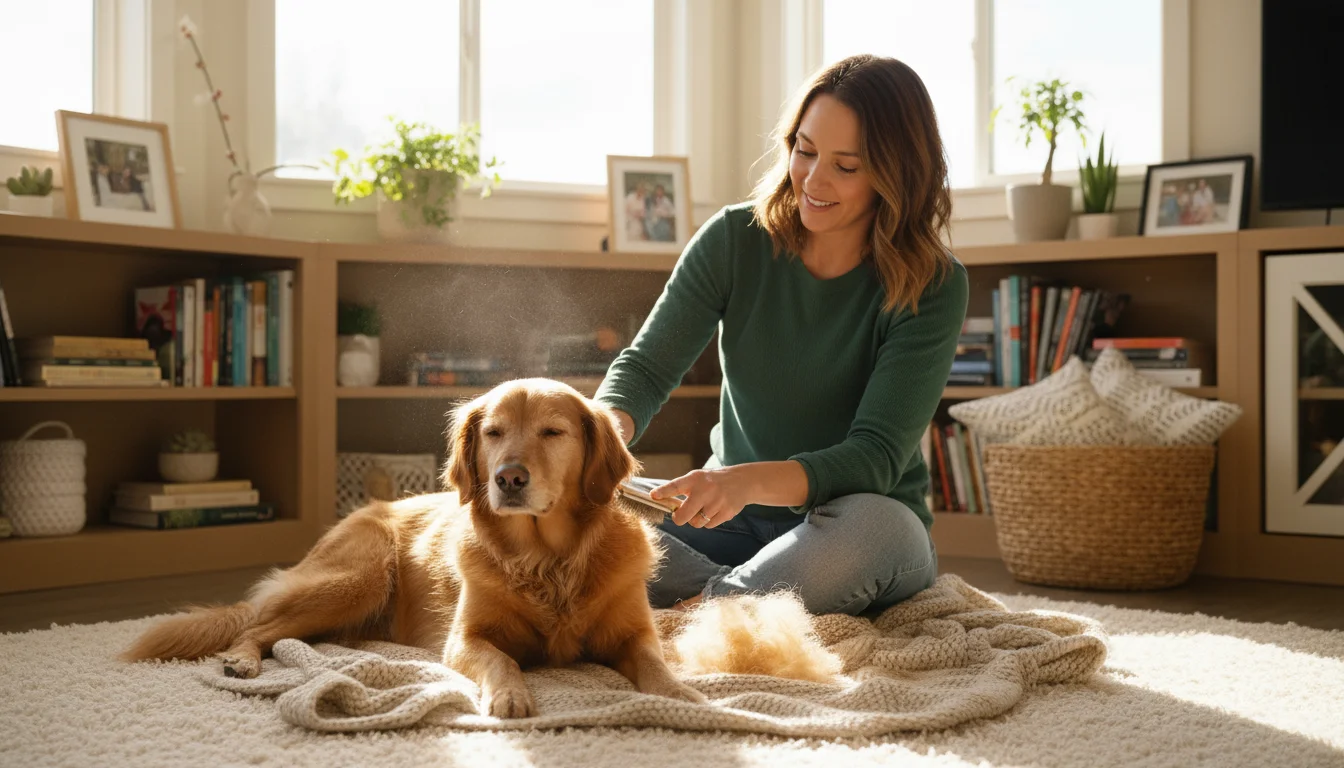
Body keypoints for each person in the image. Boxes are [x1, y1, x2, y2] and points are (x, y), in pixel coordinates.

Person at [594, 54, 969, 617]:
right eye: (806, 150)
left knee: (880, 529)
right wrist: (598, 437)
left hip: (849, 530)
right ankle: (749, 601)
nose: (813, 180)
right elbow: (645, 371)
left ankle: (703, 610)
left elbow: (874, 457)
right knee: (579, 518)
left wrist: (743, 483)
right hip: (725, 526)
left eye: (846, 166)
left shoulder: (933, 284)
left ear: (897, 175)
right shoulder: (731, 240)